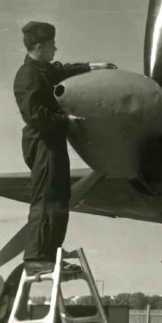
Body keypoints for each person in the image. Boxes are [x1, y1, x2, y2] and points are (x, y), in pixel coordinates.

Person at [13, 20, 115, 274]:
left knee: (59, 197)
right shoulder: (28, 75)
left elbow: (62, 70)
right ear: (39, 47)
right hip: (42, 141)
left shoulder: (43, 70)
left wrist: (91, 67)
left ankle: (51, 254)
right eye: (51, 45)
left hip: (52, 140)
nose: (55, 49)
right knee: (47, 197)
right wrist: (66, 121)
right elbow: (35, 116)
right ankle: (38, 257)